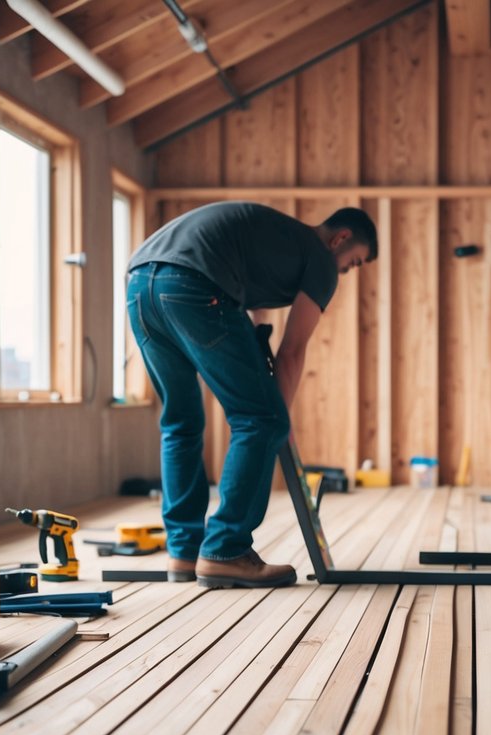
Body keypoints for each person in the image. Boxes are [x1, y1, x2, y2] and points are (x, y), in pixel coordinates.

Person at [125, 201, 377, 587]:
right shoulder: (321, 260)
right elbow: (292, 350)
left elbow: (253, 321)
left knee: (181, 421)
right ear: (341, 238)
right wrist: (278, 419)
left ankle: (185, 551)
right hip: (192, 283)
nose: (348, 270)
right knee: (262, 419)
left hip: (141, 284)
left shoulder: (277, 244)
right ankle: (226, 550)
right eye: (355, 261)